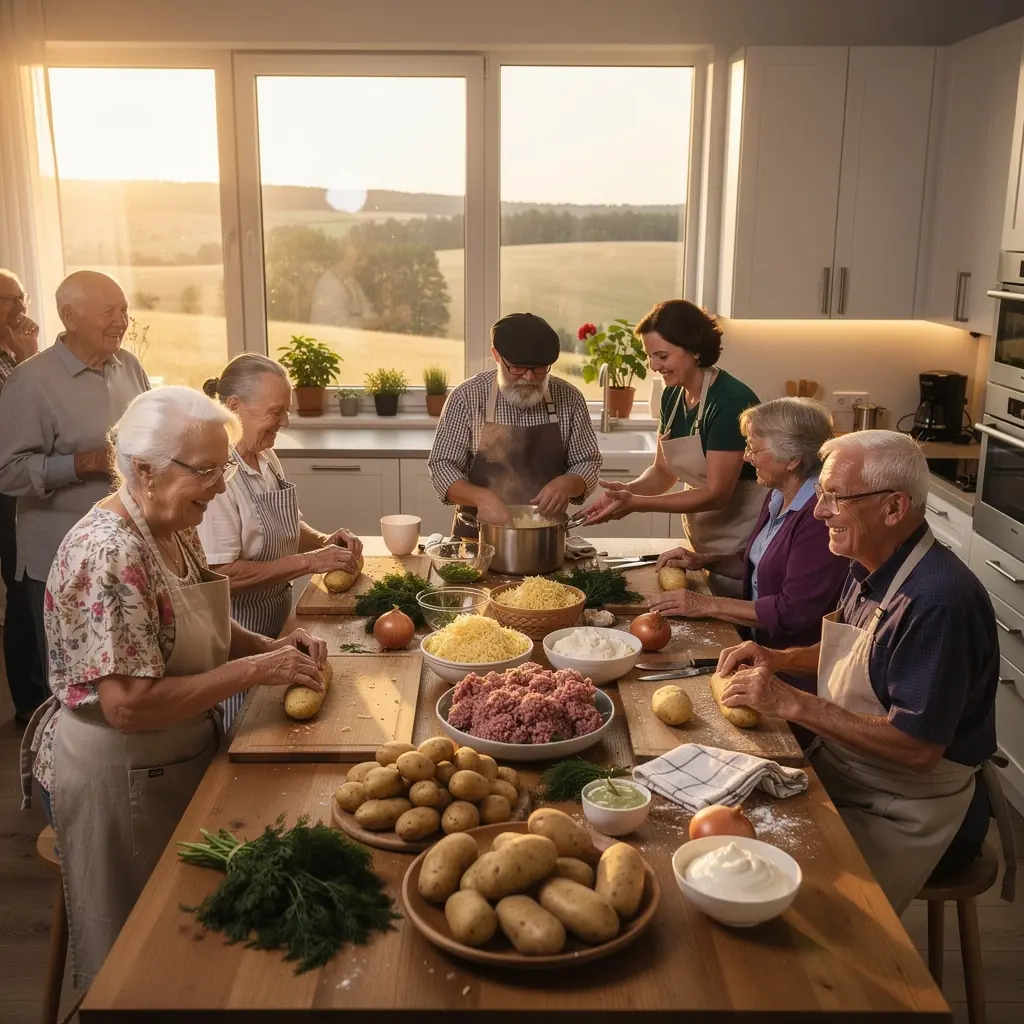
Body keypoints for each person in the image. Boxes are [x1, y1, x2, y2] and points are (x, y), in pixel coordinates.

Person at [19, 386, 327, 986]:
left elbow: (201, 613)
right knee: (139, 959)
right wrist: (255, 672)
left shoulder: (171, 519)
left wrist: (271, 647)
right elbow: (129, 708)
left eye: (223, 467)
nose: (220, 485)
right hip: (124, 773)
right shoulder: (108, 553)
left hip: (176, 753)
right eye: (208, 470)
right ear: (142, 470)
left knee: (190, 936)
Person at [716, 430, 998, 913]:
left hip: (912, 809)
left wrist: (792, 702)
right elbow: (860, 650)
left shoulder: (937, 604)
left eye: (835, 498)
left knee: (779, 897)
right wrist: (781, 659)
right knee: (734, 841)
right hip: (854, 772)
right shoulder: (871, 560)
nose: (819, 511)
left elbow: (918, 749)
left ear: (893, 508)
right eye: (820, 494)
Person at [0, 270, 150, 707]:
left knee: (122, 681)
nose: (122, 320)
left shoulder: (130, 366)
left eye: (124, 310)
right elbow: (6, 472)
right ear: (69, 316)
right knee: (70, 693)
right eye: (110, 311)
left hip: (127, 552)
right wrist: (81, 464)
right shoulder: (30, 382)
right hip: (59, 561)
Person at [198, 355, 361, 723]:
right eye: (276, 411)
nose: (285, 421)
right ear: (234, 407)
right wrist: (310, 562)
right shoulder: (218, 476)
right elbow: (221, 574)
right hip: (237, 639)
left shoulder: (265, 456)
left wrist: (323, 542)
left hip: (279, 623)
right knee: (246, 733)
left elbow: (283, 526)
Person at [583, 300, 765, 597]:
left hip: (740, 545)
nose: (654, 366)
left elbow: (717, 494)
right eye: (650, 356)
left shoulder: (730, 400)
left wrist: (637, 503)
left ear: (694, 349)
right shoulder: (673, 395)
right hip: (702, 539)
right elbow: (662, 472)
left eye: (662, 355)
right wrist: (625, 494)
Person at [650, 397, 849, 666]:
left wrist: (706, 604)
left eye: (753, 449)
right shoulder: (778, 495)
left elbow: (794, 611)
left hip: (792, 666)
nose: (746, 457)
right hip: (758, 650)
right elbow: (759, 563)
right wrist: (703, 560)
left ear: (791, 459)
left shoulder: (818, 517)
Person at [428, 311, 601, 533]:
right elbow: (442, 464)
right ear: (496, 356)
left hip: (546, 536)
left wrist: (567, 484)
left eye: (539, 369)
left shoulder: (570, 398)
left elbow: (587, 461)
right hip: (477, 537)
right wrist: (481, 498)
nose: (528, 377)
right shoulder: (467, 397)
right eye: (517, 368)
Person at [0, 269, 45, 724]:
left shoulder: (11, 357)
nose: (21, 308)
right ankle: (31, 702)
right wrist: (29, 358)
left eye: (22, 296)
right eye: (11, 300)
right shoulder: (15, 365)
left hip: (14, 490)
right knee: (22, 589)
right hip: (7, 489)